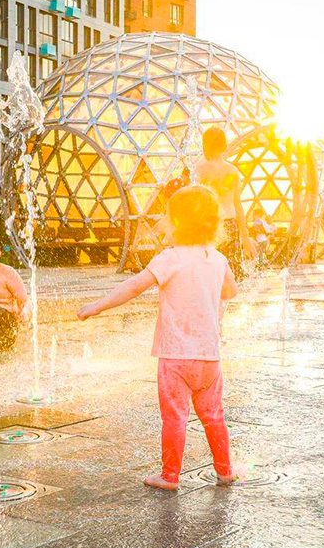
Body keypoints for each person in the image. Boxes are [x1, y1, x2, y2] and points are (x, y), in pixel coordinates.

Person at [77, 185, 239, 490]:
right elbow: (231, 291)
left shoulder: (170, 258)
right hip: (209, 356)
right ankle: (225, 471)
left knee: (175, 417)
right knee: (214, 415)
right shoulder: (217, 259)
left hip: (176, 355)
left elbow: (134, 287)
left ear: (176, 222)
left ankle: (169, 476)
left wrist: (97, 306)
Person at [194, 127, 256, 281]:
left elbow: (193, 201)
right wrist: (245, 237)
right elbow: (237, 205)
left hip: (207, 225)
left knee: (206, 273)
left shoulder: (199, 169)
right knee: (230, 274)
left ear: (205, 145)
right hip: (230, 225)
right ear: (224, 145)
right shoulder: (233, 171)